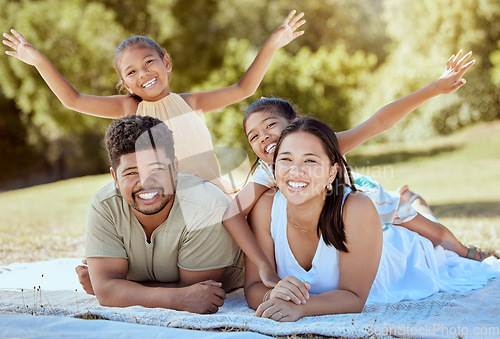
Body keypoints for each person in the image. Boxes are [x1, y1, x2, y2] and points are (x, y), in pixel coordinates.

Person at [223, 50, 483, 291]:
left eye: (270, 125)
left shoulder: (323, 142)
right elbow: (231, 215)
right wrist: (263, 265)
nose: (264, 137)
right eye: (253, 136)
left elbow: (378, 122)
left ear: (294, 124)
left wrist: (435, 88)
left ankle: (465, 248)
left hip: (360, 197)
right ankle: (409, 197)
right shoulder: (266, 172)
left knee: (436, 235)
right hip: (326, 213)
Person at [2, 10, 305, 191]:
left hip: (209, 195)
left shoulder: (190, 101)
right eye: (131, 72)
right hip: (167, 200)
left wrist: (273, 43)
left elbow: (243, 89)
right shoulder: (129, 107)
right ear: (124, 84)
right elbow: (73, 99)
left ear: (167, 62)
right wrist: (38, 60)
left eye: (149, 62)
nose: (143, 73)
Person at [245, 117, 499, 321]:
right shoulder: (265, 209)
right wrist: (271, 295)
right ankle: (409, 200)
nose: (295, 171)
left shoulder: (356, 207)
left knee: (439, 246)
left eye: (309, 160)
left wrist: (301, 307)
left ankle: (414, 202)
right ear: (273, 167)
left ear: (333, 171)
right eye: (286, 160)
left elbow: (355, 297)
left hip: (403, 255)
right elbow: (254, 287)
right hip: (376, 233)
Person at [76, 115, 244, 314]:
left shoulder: (206, 205)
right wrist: (108, 287)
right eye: (131, 172)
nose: (146, 182)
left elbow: (195, 294)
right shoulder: (105, 205)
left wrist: (117, 287)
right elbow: (108, 292)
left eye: (156, 169)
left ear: (175, 168)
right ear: (115, 178)